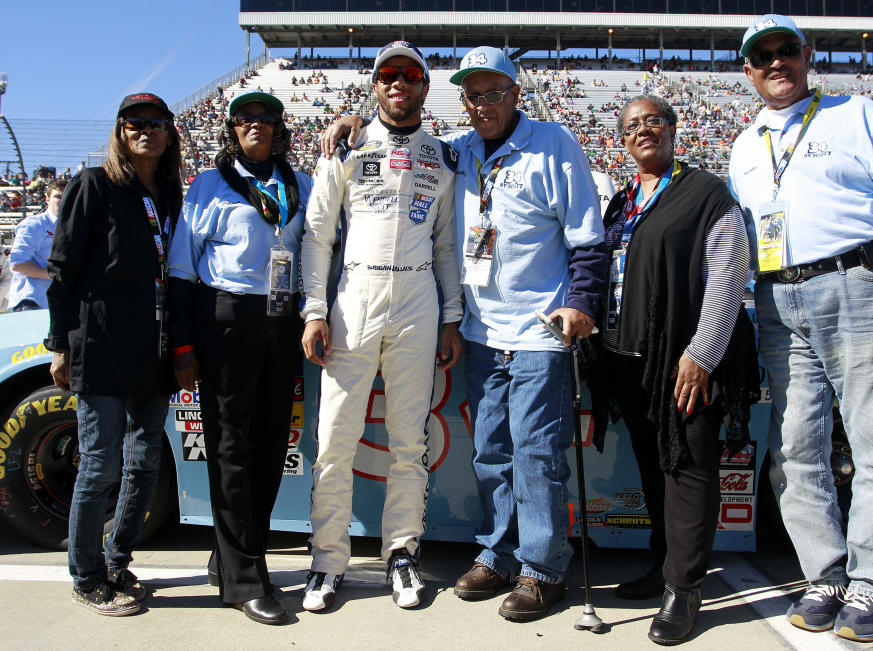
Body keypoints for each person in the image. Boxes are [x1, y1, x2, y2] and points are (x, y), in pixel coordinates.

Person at [320, 45, 606, 622]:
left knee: (536, 455)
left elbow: (589, 238)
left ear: (515, 93)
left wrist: (581, 303)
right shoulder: (458, 152)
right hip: (479, 329)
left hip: (537, 330)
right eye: (473, 95)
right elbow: (396, 140)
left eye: (494, 92)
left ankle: (543, 569)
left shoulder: (555, 144)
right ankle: (498, 554)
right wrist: (353, 119)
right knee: (490, 453)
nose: (483, 104)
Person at [729, 14, 873, 643]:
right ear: (747, 71)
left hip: (861, 285)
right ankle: (823, 571)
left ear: (807, 54)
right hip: (777, 297)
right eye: (761, 55)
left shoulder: (860, 114)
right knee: (795, 446)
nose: (775, 62)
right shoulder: (745, 144)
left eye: (785, 50)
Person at [299, 40, 462, 613]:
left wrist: (451, 317)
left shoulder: (445, 158)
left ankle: (402, 555)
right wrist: (314, 310)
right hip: (355, 295)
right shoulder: (344, 145)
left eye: (410, 74)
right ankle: (326, 562)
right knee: (334, 441)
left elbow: (446, 246)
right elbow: (317, 236)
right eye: (388, 74)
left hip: (418, 296)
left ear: (424, 84)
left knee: (408, 443)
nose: (399, 83)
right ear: (374, 85)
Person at [590, 95, 757, 645]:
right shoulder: (622, 200)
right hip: (631, 361)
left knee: (687, 468)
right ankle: (664, 567)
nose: (644, 131)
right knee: (653, 465)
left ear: (673, 129)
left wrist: (702, 353)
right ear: (622, 138)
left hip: (686, 360)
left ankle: (684, 590)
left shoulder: (704, 193)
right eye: (633, 125)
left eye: (654, 121)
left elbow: (729, 274)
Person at [167, 91, 312, 625]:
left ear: (278, 128)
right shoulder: (210, 183)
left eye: (266, 118)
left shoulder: (299, 184)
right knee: (231, 449)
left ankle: (231, 552)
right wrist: (183, 344)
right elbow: (182, 268)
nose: (257, 125)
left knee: (272, 445)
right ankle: (246, 579)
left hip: (282, 321)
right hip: (225, 323)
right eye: (246, 118)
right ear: (233, 127)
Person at [45, 93, 183, 616]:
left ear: (170, 132)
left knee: (144, 462)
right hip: (99, 345)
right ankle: (85, 576)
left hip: (154, 348)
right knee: (100, 463)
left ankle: (116, 558)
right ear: (121, 132)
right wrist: (60, 344)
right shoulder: (94, 185)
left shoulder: (170, 192)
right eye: (134, 124)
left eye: (155, 123)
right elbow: (62, 270)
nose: (145, 131)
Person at [7, 180, 66, 311]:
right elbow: (17, 263)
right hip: (32, 301)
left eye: (66, 196)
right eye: (57, 196)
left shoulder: (71, 229)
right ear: (47, 199)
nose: (62, 201)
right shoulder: (35, 225)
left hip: (57, 302)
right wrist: (55, 275)